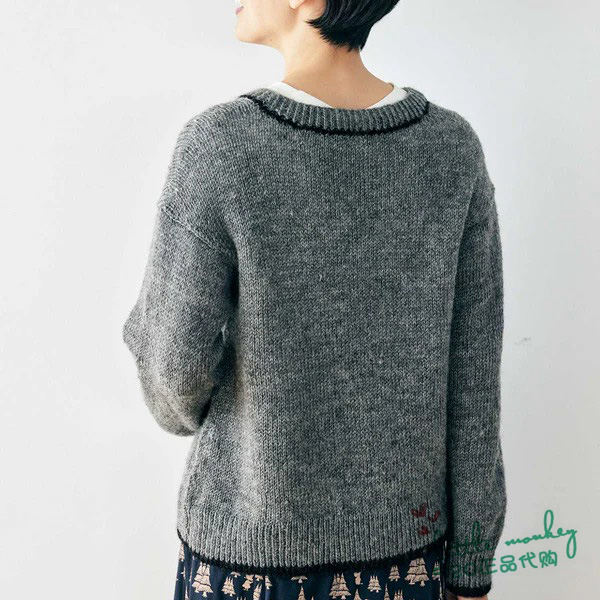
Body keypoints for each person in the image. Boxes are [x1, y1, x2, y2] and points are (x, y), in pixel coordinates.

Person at [121, 1, 507, 599]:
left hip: (249, 557)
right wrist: (473, 566)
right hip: (408, 561)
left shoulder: (221, 146)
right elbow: (474, 379)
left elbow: (172, 369)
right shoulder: (452, 148)